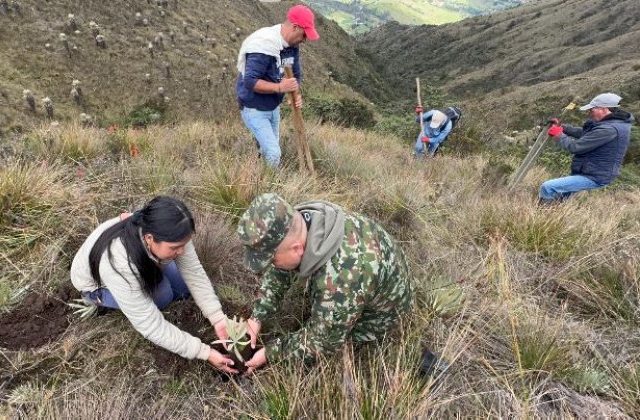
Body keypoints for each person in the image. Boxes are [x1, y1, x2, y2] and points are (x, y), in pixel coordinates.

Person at [236, 193, 413, 373]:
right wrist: (256, 318)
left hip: (384, 314)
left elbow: (322, 342)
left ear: (297, 249)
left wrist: (270, 353)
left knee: (334, 341)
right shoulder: (307, 222)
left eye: (272, 260)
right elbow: (281, 270)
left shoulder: (340, 280)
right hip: (372, 277)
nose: (271, 266)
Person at [70, 196, 238, 374]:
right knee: (163, 295)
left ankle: (153, 273)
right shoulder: (117, 262)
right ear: (150, 238)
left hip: (144, 262)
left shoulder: (173, 231)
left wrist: (218, 318)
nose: (181, 251)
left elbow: (194, 273)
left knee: (182, 287)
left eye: (184, 245)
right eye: (175, 248)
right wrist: (204, 352)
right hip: (96, 285)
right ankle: (98, 303)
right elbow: (150, 325)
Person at [235, 5, 319, 167]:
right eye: (304, 35)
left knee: (267, 150)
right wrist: (281, 87)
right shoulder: (264, 44)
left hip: (273, 107)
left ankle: (257, 176)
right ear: (295, 27)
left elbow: (295, 75)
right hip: (254, 108)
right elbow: (251, 81)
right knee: (274, 152)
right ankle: (269, 188)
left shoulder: (291, 47)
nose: (304, 40)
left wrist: (296, 95)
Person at [540, 93, 634, 202]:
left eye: (592, 109)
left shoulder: (609, 129)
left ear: (604, 109)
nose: (589, 113)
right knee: (560, 198)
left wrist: (559, 134)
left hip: (594, 176)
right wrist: (562, 128)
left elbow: (574, 147)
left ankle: (540, 215)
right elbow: (587, 134)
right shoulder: (612, 123)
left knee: (548, 187)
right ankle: (553, 214)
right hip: (592, 172)